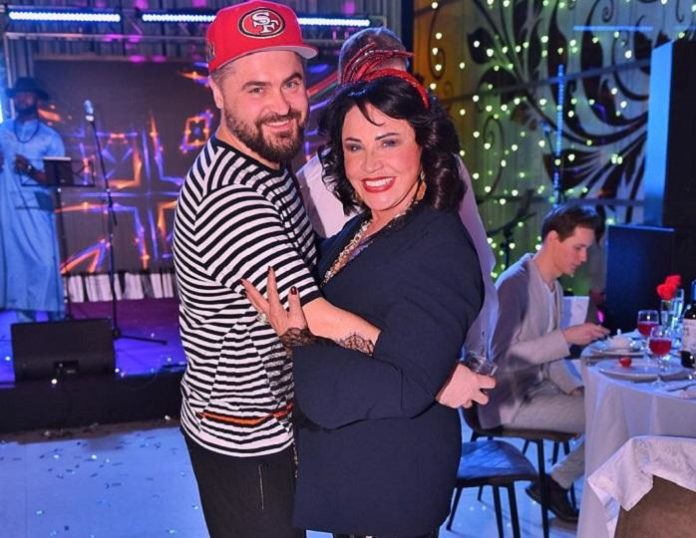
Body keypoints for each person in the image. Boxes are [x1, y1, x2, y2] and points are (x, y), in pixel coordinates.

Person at [245, 73, 489, 537]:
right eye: (354, 147)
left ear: (424, 144)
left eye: (388, 142)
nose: (370, 164)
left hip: (392, 485)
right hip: (360, 475)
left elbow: (405, 384)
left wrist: (299, 339)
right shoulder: (362, 228)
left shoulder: (439, 245)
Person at [296, 26, 497, 358]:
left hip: (433, 354)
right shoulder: (311, 183)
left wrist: (475, 353)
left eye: (401, 82)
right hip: (349, 366)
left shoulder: (444, 167)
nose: (390, 97)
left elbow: (478, 264)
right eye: (376, 82)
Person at [482, 204, 610, 523]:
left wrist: (575, 389)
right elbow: (501, 358)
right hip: (508, 399)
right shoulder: (515, 284)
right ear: (553, 239)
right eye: (578, 248)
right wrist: (565, 337)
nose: (583, 257)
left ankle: (555, 483)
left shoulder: (552, 285)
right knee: (610, 417)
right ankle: (556, 483)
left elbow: (550, 356)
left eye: (587, 249)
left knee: (606, 406)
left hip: (535, 388)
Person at [0, 76, 66, 322]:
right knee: (16, 265)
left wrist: (29, 169)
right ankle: (26, 327)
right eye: (18, 94)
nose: (22, 98)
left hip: (37, 208)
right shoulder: (3, 131)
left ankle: (56, 320)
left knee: (45, 262)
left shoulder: (50, 137)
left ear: (37, 99)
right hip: (8, 208)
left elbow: (57, 178)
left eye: (27, 93)